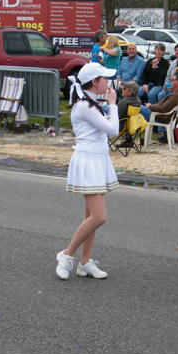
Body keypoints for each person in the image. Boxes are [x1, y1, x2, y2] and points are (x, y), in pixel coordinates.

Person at [56, 62, 119, 281]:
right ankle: (66, 255)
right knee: (99, 217)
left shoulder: (89, 103)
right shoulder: (85, 106)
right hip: (88, 161)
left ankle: (85, 262)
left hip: (97, 159)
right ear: (95, 81)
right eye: (104, 78)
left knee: (90, 216)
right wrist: (114, 104)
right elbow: (113, 130)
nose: (107, 82)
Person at [140, 72, 178, 144]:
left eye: (172, 80)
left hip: (161, 117)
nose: (171, 82)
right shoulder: (176, 93)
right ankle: (141, 137)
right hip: (160, 114)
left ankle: (131, 135)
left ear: (177, 82)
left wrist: (151, 106)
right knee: (137, 108)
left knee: (137, 107)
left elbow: (163, 108)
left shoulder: (177, 95)